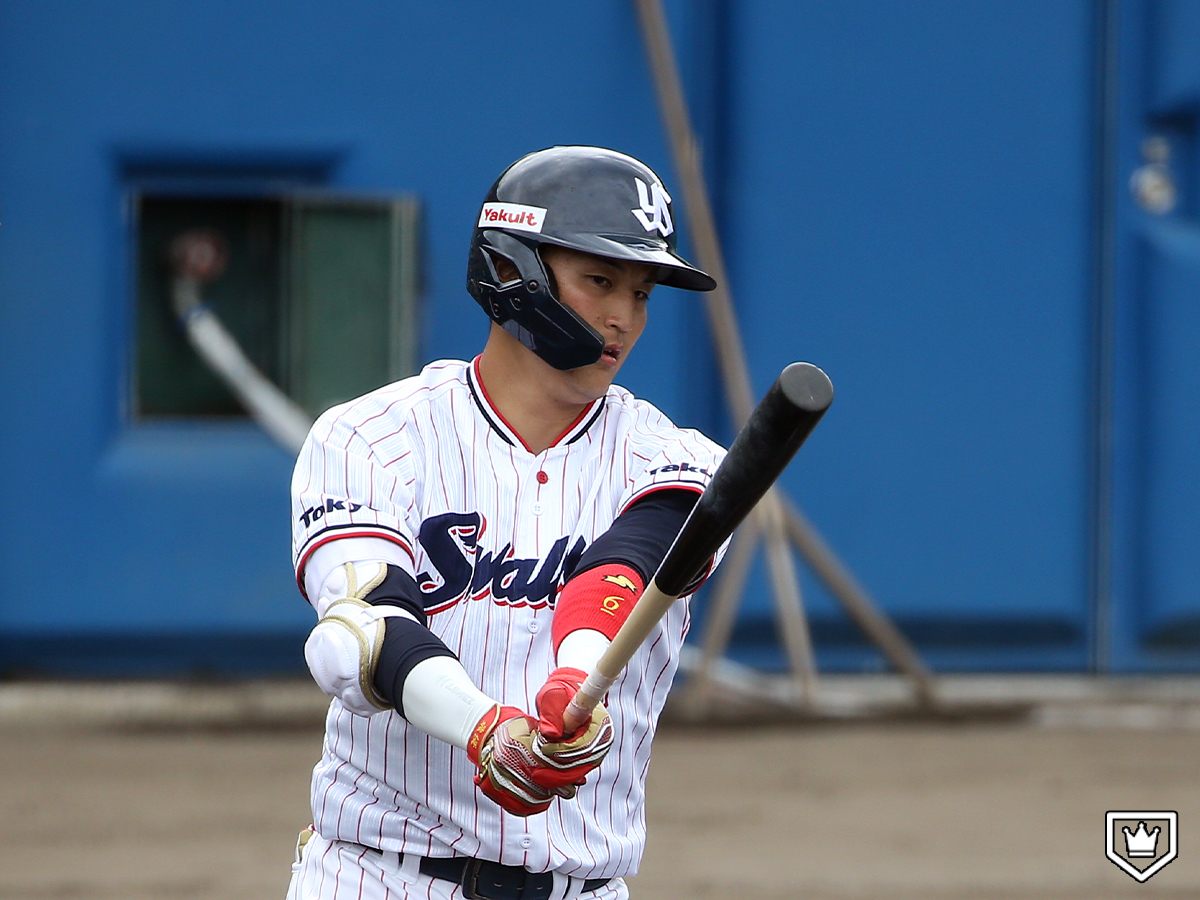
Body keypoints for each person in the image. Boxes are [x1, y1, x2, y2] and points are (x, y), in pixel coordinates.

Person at [286, 145, 727, 900]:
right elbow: (367, 631)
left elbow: (620, 570)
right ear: (513, 270)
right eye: (599, 280)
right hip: (379, 878)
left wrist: (570, 684)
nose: (624, 316)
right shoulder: (370, 437)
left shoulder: (677, 459)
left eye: (643, 292)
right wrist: (487, 731)